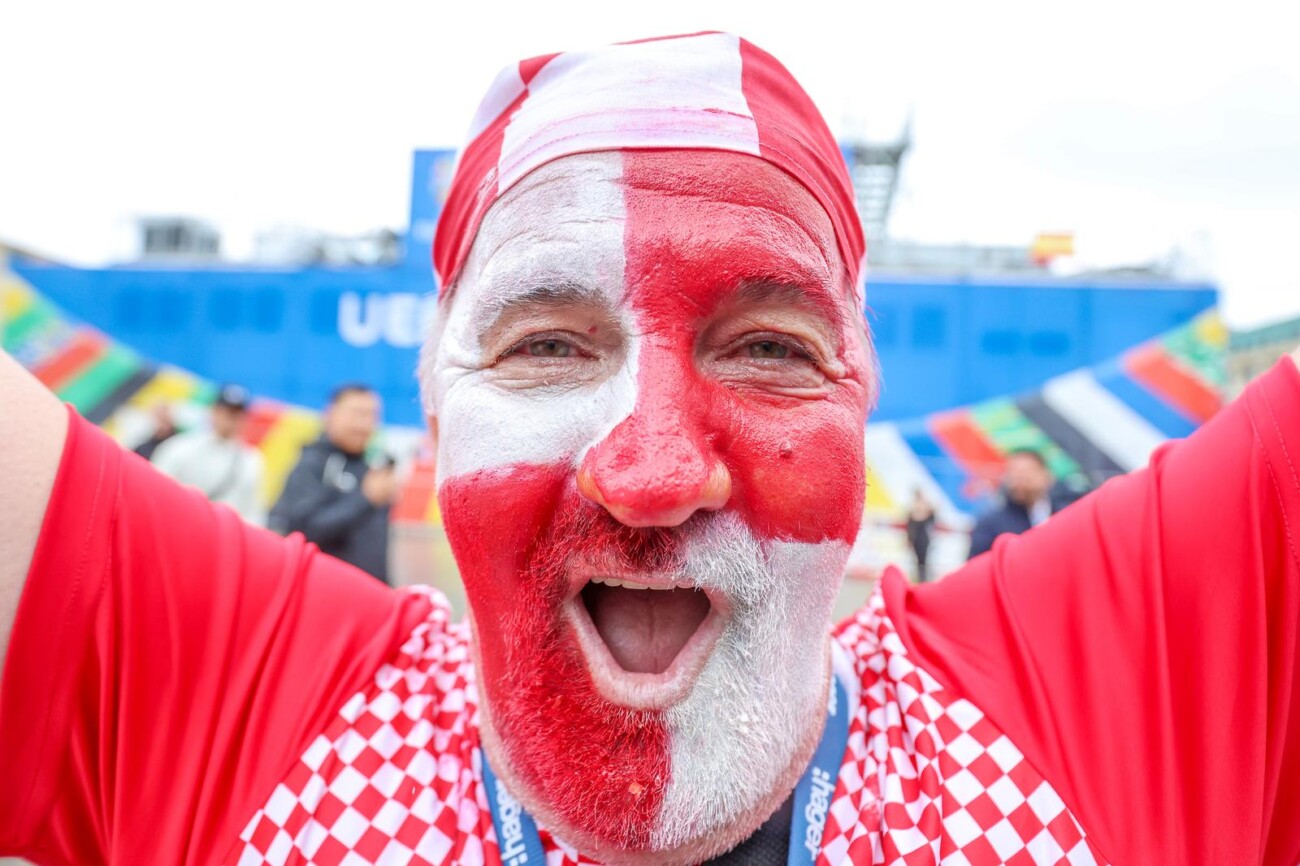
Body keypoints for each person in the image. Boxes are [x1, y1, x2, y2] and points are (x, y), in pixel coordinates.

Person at [1, 33, 1299, 866]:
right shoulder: (239, 711)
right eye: (549, 347)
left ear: (863, 404)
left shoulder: (1097, 701)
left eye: (770, 347)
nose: (656, 465)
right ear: (437, 420)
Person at [268, 383, 396, 583]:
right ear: (331, 414)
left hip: (371, 597)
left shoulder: (373, 468)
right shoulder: (313, 463)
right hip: (324, 595)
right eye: (356, 414)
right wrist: (365, 499)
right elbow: (301, 532)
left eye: (372, 415)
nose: (364, 425)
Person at [150, 384, 265, 526]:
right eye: (226, 412)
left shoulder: (251, 460)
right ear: (214, 411)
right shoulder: (181, 447)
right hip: (181, 527)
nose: (231, 419)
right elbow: (156, 492)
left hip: (223, 538)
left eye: (236, 414)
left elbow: (252, 512)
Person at [967, 448, 1075, 559]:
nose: (1020, 479)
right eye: (1014, 473)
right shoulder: (991, 524)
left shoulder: (1064, 514)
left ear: (1047, 476)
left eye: (1027, 472)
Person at [905, 488, 936, 581]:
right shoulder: (913, 508)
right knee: (918, 560)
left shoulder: (925, 508)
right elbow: (910, 526)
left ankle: (923, 578)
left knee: (923, 559)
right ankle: (920, 578)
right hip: (916, 537)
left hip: (923, 537)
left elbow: (931, 519)